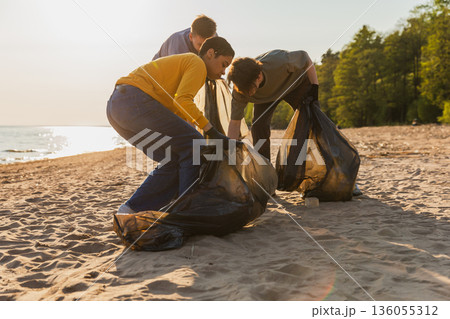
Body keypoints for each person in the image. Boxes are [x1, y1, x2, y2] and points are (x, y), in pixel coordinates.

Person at [107, 37, 234, 214]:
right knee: (193, 145)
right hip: (134, 99)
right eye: (223, 64)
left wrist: (198, 134)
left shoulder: (188, 66)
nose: (223, 72)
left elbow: (178, 111)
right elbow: (182, 101)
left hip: (116, 108)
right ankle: (185, 210)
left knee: (174, 158)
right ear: (211, 54)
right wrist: (210, 131)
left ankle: (130, 209)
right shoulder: (197, 62)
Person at [227, 50, 319, 160]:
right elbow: (235, 123)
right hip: (266, 98)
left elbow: (306, 59)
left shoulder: (282, 62)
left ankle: (323, 156)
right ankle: (264, 164)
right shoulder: (240, 91)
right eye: (242, 91)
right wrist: (230, 155)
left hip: (294, 84)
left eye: (248, 89)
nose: (246, 94)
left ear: (259, 77)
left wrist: (315, 87)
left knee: (312, 118)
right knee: (258, 126)